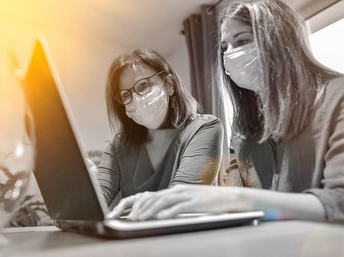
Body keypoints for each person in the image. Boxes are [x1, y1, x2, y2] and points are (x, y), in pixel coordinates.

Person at [107, 0, 344, 222]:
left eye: (241, 41)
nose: (229, 54)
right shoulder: (245, 126)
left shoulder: (337, 97)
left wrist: (232, 199)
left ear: (282, 40)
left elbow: (339, 204)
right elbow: (234, 197)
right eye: (224, 48)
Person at [97, 48, 224, 206]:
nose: (136, 99)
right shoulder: (118, 146)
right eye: (125, 95)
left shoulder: (204, 128)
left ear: (169, 84)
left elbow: (181, 198)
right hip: (137, 230)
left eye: (143, 85)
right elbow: (95, 201)